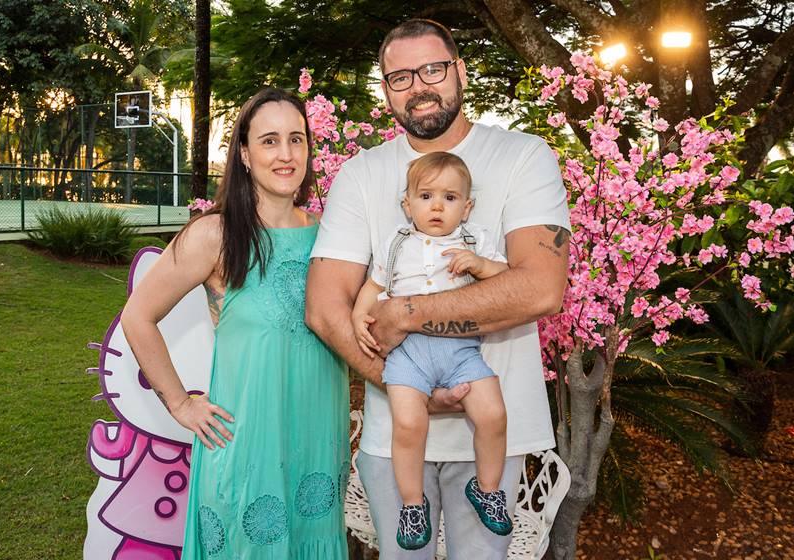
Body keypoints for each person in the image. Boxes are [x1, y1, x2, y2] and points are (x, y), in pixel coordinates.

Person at [306, 18, 570, 560]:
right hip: (394, 430)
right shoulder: (362, 174)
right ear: (386, 91)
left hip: (494, 433)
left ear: (461, 72)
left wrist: (405, 312)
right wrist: (410, 388)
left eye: (432, 69)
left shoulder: (524, 157)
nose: (418, 86)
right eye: (399, 77)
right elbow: (325, 305)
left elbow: (540, 288)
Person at [121, 88, 349, 560]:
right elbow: (138, 317)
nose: (286, 154)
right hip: (248, 449)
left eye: (297, 139)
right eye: (269, 141)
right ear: (244, 154)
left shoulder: (332, 235)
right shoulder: (215, 235)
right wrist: (182, 405)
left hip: (317, 446)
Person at [351, 152, 511, 550]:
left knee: (492, 414)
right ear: (407, 204)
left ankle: (487, 489)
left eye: (450, 197)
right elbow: (373, 287)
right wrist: (358, 316)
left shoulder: (476, 241)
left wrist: (478, 263)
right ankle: (411, 503)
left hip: (460, 350)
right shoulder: (396, 242)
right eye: (426, 196)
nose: (437, 205)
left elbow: (506, 279)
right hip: (408, 353)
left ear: (467, 206)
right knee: (408, 425)